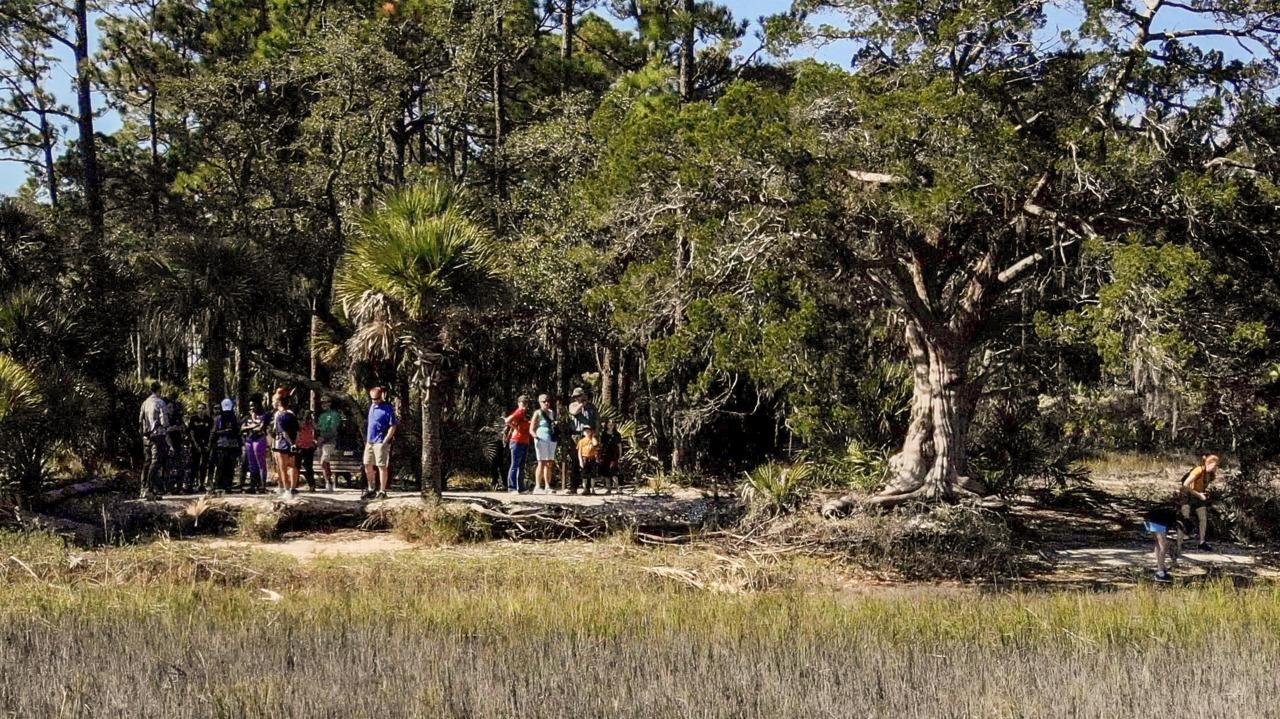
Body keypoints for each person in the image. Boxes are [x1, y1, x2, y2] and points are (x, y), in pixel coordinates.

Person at [362, 387, 398, 500]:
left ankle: (382, 490)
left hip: (381, 441)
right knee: (367, 464)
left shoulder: (388, 408)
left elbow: (393, 425)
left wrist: (386, 440)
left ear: (381, 396)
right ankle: (371, 489)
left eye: (376, 399)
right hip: (370, 441)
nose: (374, 401)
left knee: (381, 466)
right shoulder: (372, 406)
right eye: (372, 399)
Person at [138, 381, 171, 500]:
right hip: (157, 435)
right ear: (159, 390)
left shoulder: (145, 403)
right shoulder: (160, 403)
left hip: (146, 437)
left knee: (147, 462)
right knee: (156, 461)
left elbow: (140, 420)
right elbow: (164, 422)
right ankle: (149, 488)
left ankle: (143, 488)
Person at [1181, 453, 1220, 551]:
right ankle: (1180, 541)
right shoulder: (1198, 470)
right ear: (1208, 464)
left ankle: (1201, 541)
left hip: (1198, 496)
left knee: (1203, 518)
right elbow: (1185, 485)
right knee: (1185, 517)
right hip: (1188, 496)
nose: (1216, 468)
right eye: (1214, 466)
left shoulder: (1210, 475)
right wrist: (1198, 495)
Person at [1144, 496, 1187, 582]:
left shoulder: (1167, 510)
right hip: (1158, 524)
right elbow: (1179, 532)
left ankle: (1161, 568)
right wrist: (1178, 546)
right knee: (1163, 547)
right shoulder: (1175, 516)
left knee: (1158, 545)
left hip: (1149, 522)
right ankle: (1160, 572)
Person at [567, 387, 598, 494]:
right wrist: (582, 404)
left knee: (589, 461)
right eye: (575, 396)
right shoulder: (573, 405)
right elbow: (574, 412)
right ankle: (573, 487)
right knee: (575, 461)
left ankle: (588, 488)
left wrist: (596, 433)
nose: (577, 398)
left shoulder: (592, 407)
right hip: (577, 435)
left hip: (589, 435)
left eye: (579, 396)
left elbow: (596, 420)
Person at [272, 392, 301, 497]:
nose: (272, 403)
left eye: (274, 401)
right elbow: (298, 430)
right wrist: (295, 443)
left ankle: (287, 489)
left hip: (282, 443)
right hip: (292, 442)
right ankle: (293, 488)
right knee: (293, 466)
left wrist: (290, 443)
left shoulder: (281, 415)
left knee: (283, 467)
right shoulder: (291, 414)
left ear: (279, 402)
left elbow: (283, 432)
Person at [210, 398, 241, 493]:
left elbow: (237, 431)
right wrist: (224, 432)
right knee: (220, 466)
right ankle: (218, 485)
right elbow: (214, 432)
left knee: (230, 467)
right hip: (221, 446)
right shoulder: (218, 419)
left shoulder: (234, 418)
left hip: (232, 446)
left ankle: (228, 485)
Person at [240, 397, 270, 493]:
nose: (251, 407)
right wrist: (254, 425)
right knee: (252, 465)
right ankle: (252, 486)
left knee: (261, 464)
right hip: (249, 441)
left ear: (258, 405)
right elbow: (242, 428)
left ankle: (262, 486)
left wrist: (251, 427)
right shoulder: (247, 416)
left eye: (253, 405)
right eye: (250, 406)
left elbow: (261, 428)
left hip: (259, 440)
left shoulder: (264, 415)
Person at [504, 395, 533, 493]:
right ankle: (511, 487)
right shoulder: (519, 412)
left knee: (522, 466)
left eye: (526, 403)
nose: (525, 405)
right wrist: (515, 427)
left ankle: (521, 488)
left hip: (525, 441)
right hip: (516, 441)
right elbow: (507, 420)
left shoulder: (526, 414)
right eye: (523, 403)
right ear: (519, 403)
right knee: (514, 465)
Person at [165, 397, 193, 494]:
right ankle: (169, 488)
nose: (171, 409)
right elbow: (165, 430)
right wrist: (173, 428)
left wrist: (177, 428)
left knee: (179, 467)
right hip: (168, 444)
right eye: (169, 407)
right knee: (169, 468)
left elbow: (184, 428)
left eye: (172, 407)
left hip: (178, 444)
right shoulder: (164, 417)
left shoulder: (177, 417)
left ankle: (179, 487)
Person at [530, 394, 557, 494]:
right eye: (544, 401)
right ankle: (537, 486)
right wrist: (536, 439)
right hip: (541, 438)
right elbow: (531, 429)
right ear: (540, 402)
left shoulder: (552, 413)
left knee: (549, 463)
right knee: (541, 462)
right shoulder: (538, 413)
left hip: (551, 439)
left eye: (548, 401)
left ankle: (547, 486)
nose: (546, 403)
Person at [317, 398, 342, 492]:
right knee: (323, 463)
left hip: (330, 441)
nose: (324, 404)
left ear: (330, 403)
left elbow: (333, 430)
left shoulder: (334, 415)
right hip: (321, 442)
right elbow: (319, 428)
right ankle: (328, 481)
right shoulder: (321, 416)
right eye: (322, 403)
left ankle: (328, 482)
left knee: (324, 460)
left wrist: (323, 438)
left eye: (326, 402)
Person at [188, 403, 213, 492]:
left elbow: (211, 433)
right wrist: (195, 445)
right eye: (199, 408)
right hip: (195, 445)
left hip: (205, 445)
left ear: (205, 409)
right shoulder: (193, 419)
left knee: (204, 465)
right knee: (194, 464)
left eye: (202, 408)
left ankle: (201, 484)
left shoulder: (209, 420)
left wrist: (209, 445)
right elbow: (191, 433)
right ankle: (190, 485)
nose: (201, 410)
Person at [577, 425, 603, 495]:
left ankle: (593, 489)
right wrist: (580, 461)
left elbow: (595, 444)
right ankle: (585, 489)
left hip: (592, 458)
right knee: (584, 475)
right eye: (585, 431)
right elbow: (579, 452)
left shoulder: (593, 439)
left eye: (588, 431)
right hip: (584, 458)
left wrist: (593, 436)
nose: (587, 432)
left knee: (592, 475)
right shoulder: (581, 441)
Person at [296, 410, 318, 491]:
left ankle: (312, 485)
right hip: (300, 446)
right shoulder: (300, 423)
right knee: (296, 466)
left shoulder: (311, 424)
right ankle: (294, 484)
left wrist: (311, 420)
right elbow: (299, 430)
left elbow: (316, 428)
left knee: (308, 467)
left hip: (309, 446)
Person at [600, 420, 623, 491]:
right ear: (606, 425)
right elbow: (601, 445)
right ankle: (608, 488)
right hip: (605, 454)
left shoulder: (617, 434)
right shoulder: (603, 434)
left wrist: (620, 454)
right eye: (609, 424)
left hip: (614, 454)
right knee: (606, 471)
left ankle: (617, 487)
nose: (611, 425)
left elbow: (619, 445)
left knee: (613, 470)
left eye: (612, 424)